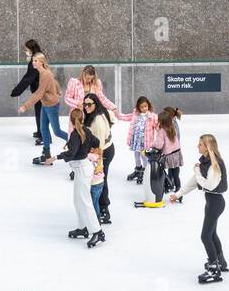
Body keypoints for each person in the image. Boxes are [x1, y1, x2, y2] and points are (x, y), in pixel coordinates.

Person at [170, 134, 228, 284]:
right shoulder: (205, 162)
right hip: (212, 202)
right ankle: (220, 262)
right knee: (212, 234)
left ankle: (214, 269)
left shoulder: (215, 164)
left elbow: (209, 185)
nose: (197, 146)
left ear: (207, 147)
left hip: (216, 202)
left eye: (200, 144)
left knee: (205, 236)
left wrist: (196, 171)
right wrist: (178, 194)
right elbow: (194, 182)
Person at [18, 51, 67, 162]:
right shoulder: (44, 72)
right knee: (43, 128)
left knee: (57, 131)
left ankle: (76, 143)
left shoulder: (45, 74)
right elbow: (54, 81)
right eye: (33, 60)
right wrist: (58, 90)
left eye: (35, 61)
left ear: (41, 62)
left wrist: (25, 106)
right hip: (45, 105)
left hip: (52, 106)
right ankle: (46, 154)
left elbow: (39, 93)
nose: (33, 63)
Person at [58, 108, 99, 240]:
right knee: (77, 200)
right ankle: (83, 227)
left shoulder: (76, 134)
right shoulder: (85, 131)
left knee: (85, 201)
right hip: (82, 168)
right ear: (82, 118)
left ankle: (97, 232)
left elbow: (71, 153)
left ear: (71, 120)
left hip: (83, 168)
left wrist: (55, 157)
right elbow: (96, 142)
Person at [83, 91, 116, 225]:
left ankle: (104, 209)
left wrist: (98, 163)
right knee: (100, 180)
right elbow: (113, 117)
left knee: (101, 180)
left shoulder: (97, 122)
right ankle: (101, 207)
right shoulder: (100, 113)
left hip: (104, 151)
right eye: (84, 104)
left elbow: (100, 144)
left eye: (89, 104)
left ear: (96, 104)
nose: (86, 107)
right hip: (104, 148)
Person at [10, 39, 44, 145]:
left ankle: (43, 136)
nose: (25, 51)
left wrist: (16, 91)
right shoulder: (37, 59)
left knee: (41, 113)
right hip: (38, 90)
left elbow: (27, 78)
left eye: (26, 49)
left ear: (31, 49)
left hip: (40, 91)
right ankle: (40, 132)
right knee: (39, 112)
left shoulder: (35, 62)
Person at [124, 95, 158, 187]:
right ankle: (138, 169)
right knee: (136, 155)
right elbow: (126, 117)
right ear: (138, 107)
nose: (144, 108)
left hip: (145, 142)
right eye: (141, 107)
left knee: (144, 157)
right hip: (136, 141)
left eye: (145, 106)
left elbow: (158, 126)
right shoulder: (136, 115)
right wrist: (117, 114)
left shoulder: (152, 116)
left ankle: (145, 171)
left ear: (148, 106)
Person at [158, 106, 184, 194]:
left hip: (169, 155)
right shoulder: (173, 126)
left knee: (163, 169)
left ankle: (168, 184)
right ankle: (178, 188)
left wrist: (153, 147)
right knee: (175, 173)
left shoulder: (162, 130)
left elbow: (159, 143)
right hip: (177, 153)